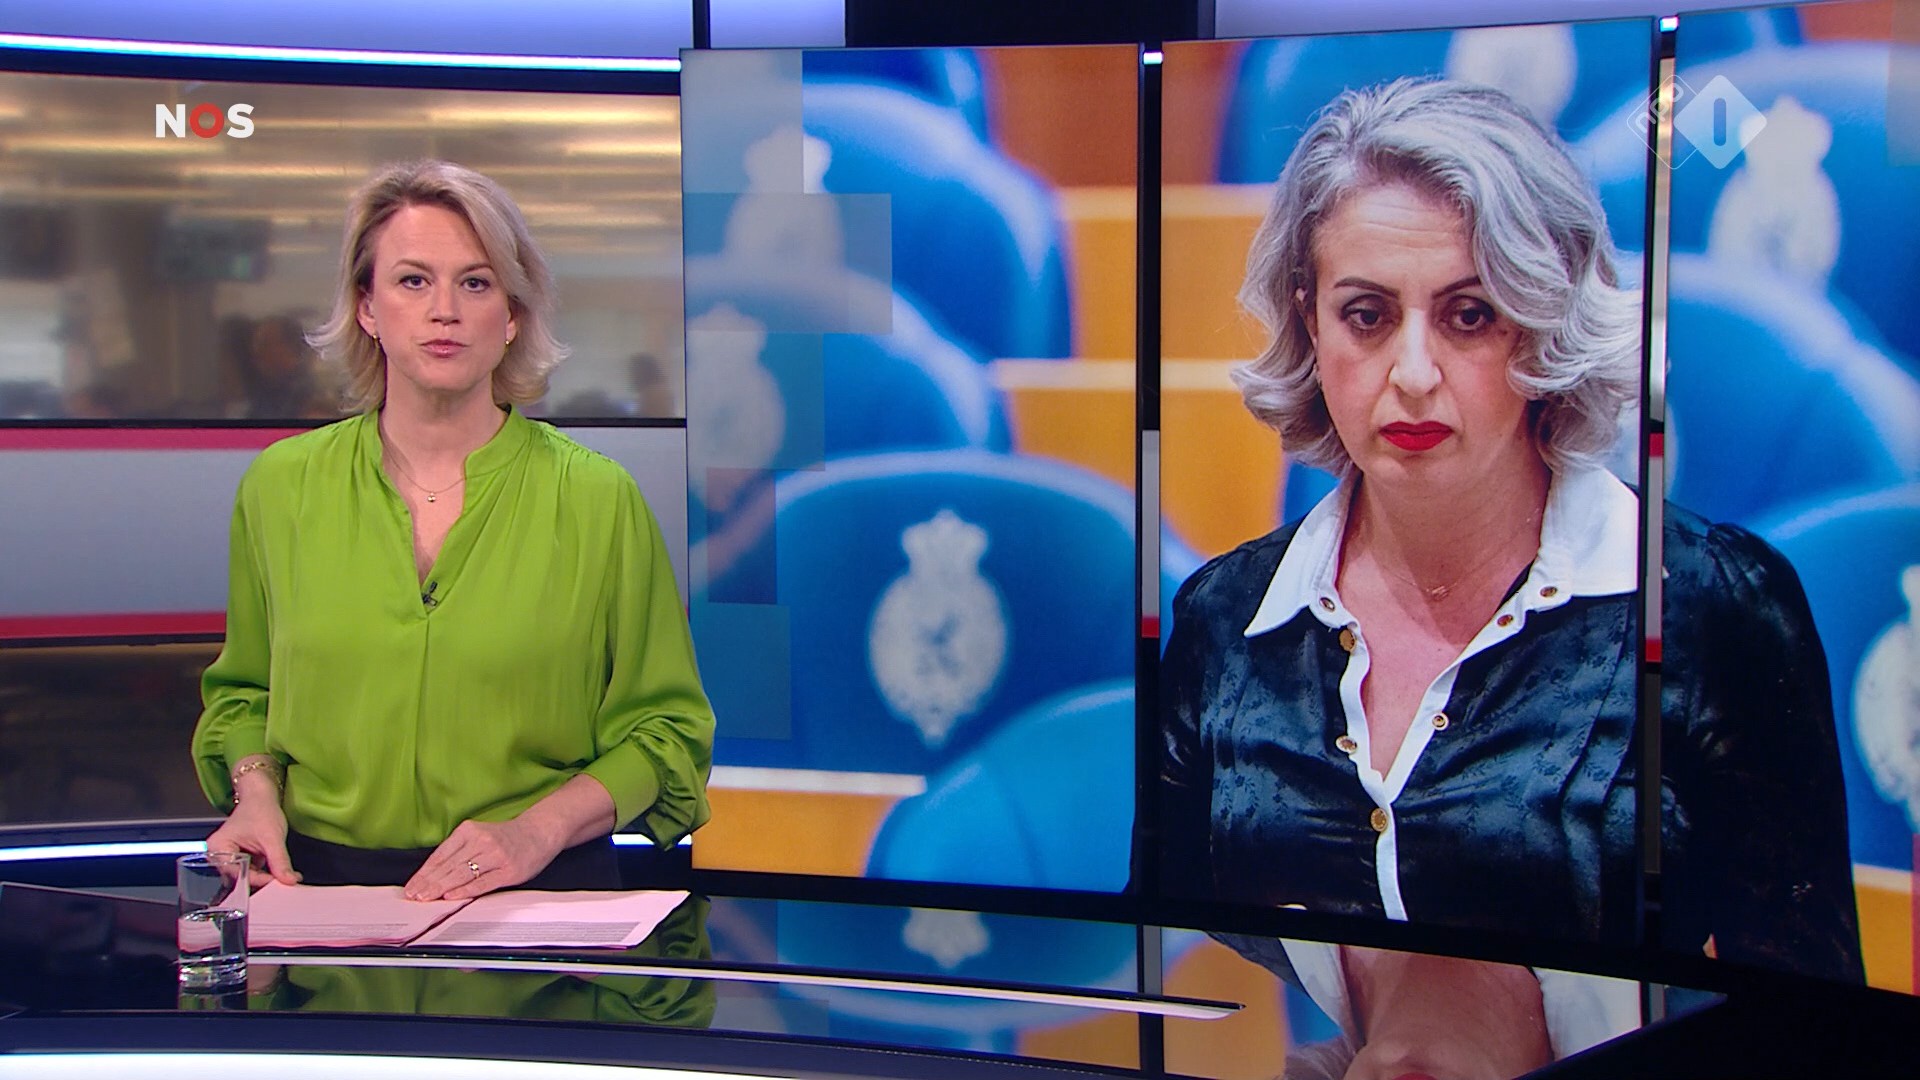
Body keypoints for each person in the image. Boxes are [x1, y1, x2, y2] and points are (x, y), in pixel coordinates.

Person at [1155, 77, 1861, 1065]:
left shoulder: (1713, 608)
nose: (1412, 373)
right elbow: (1160, 965)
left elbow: (1814, 1028)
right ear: (1311, 321)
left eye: (1469, 315)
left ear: (1543, 318)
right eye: (1367, 315)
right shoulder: (1225, 621)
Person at [191, 159, 714, 901]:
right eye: (413, 281)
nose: (445, 311)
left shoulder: (598, 499)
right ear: (367, 308)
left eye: (476, 283)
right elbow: (245, 696)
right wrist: (253, 793)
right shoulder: (281, 488)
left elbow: (666, 733)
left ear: (512, 316)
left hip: (539, 893)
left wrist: (535, 831)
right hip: (317, 890)